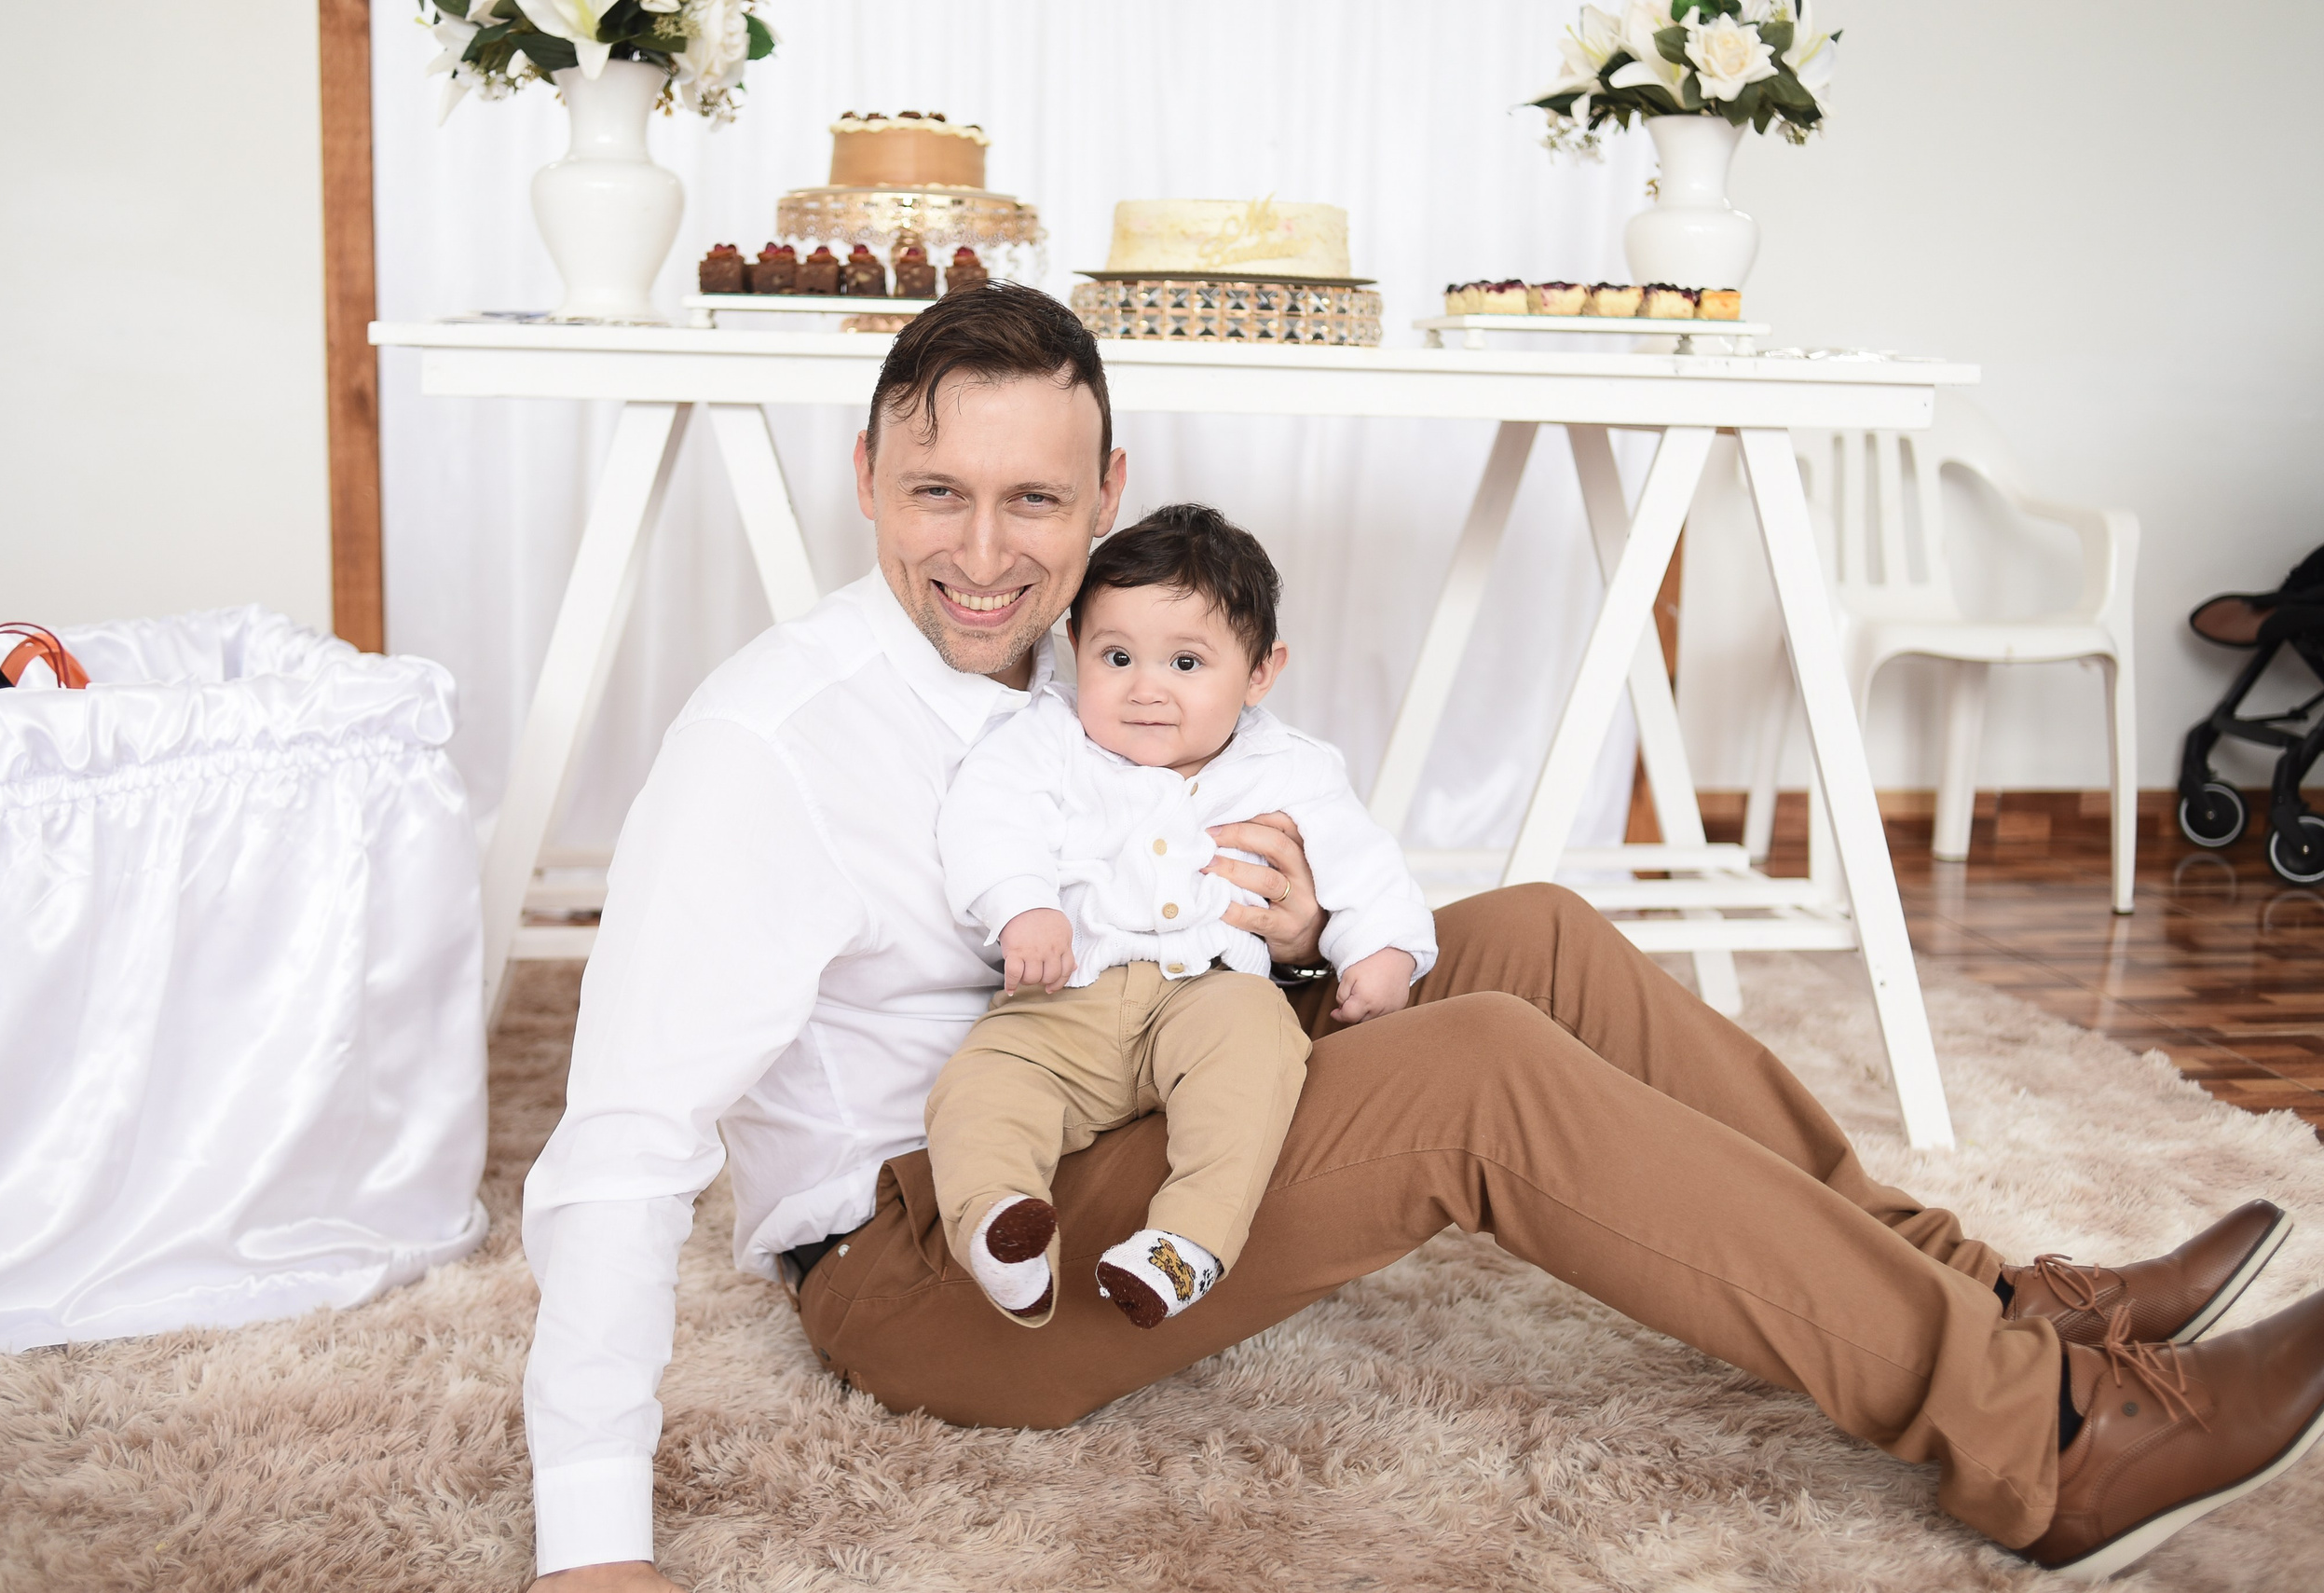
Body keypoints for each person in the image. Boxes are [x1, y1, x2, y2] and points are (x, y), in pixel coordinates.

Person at [522, 284, 2324, 1591]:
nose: (986, 550)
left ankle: (2004, 1298)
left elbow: (1198, 961)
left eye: (1035, 500)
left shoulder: (1097, 677)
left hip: (1136, 1107)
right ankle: (2052, 1447)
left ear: (1106, 490)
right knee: (1478, 1076)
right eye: (938, 494)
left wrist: (1307, 948)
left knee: (1520, 935)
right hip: (938, 1262)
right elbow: (619, 1142)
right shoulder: (770, 740)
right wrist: (591, 1533)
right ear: (865, 480)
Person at [928, 504, 1435, 1330]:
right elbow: (988, 818)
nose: (1146, 689)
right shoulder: (1048, 740)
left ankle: (1184, 1243)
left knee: (1259, 1058)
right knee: (982, 1081)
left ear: (1260, 672)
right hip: (1068, 994)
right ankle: (1001, 1224)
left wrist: (1381, 951)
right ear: (1075, 650)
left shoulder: (1290, 766)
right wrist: (1024, 908)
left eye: (1188, 662)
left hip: (1209, 991)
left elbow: (1361, 857)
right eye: (1117, 656)